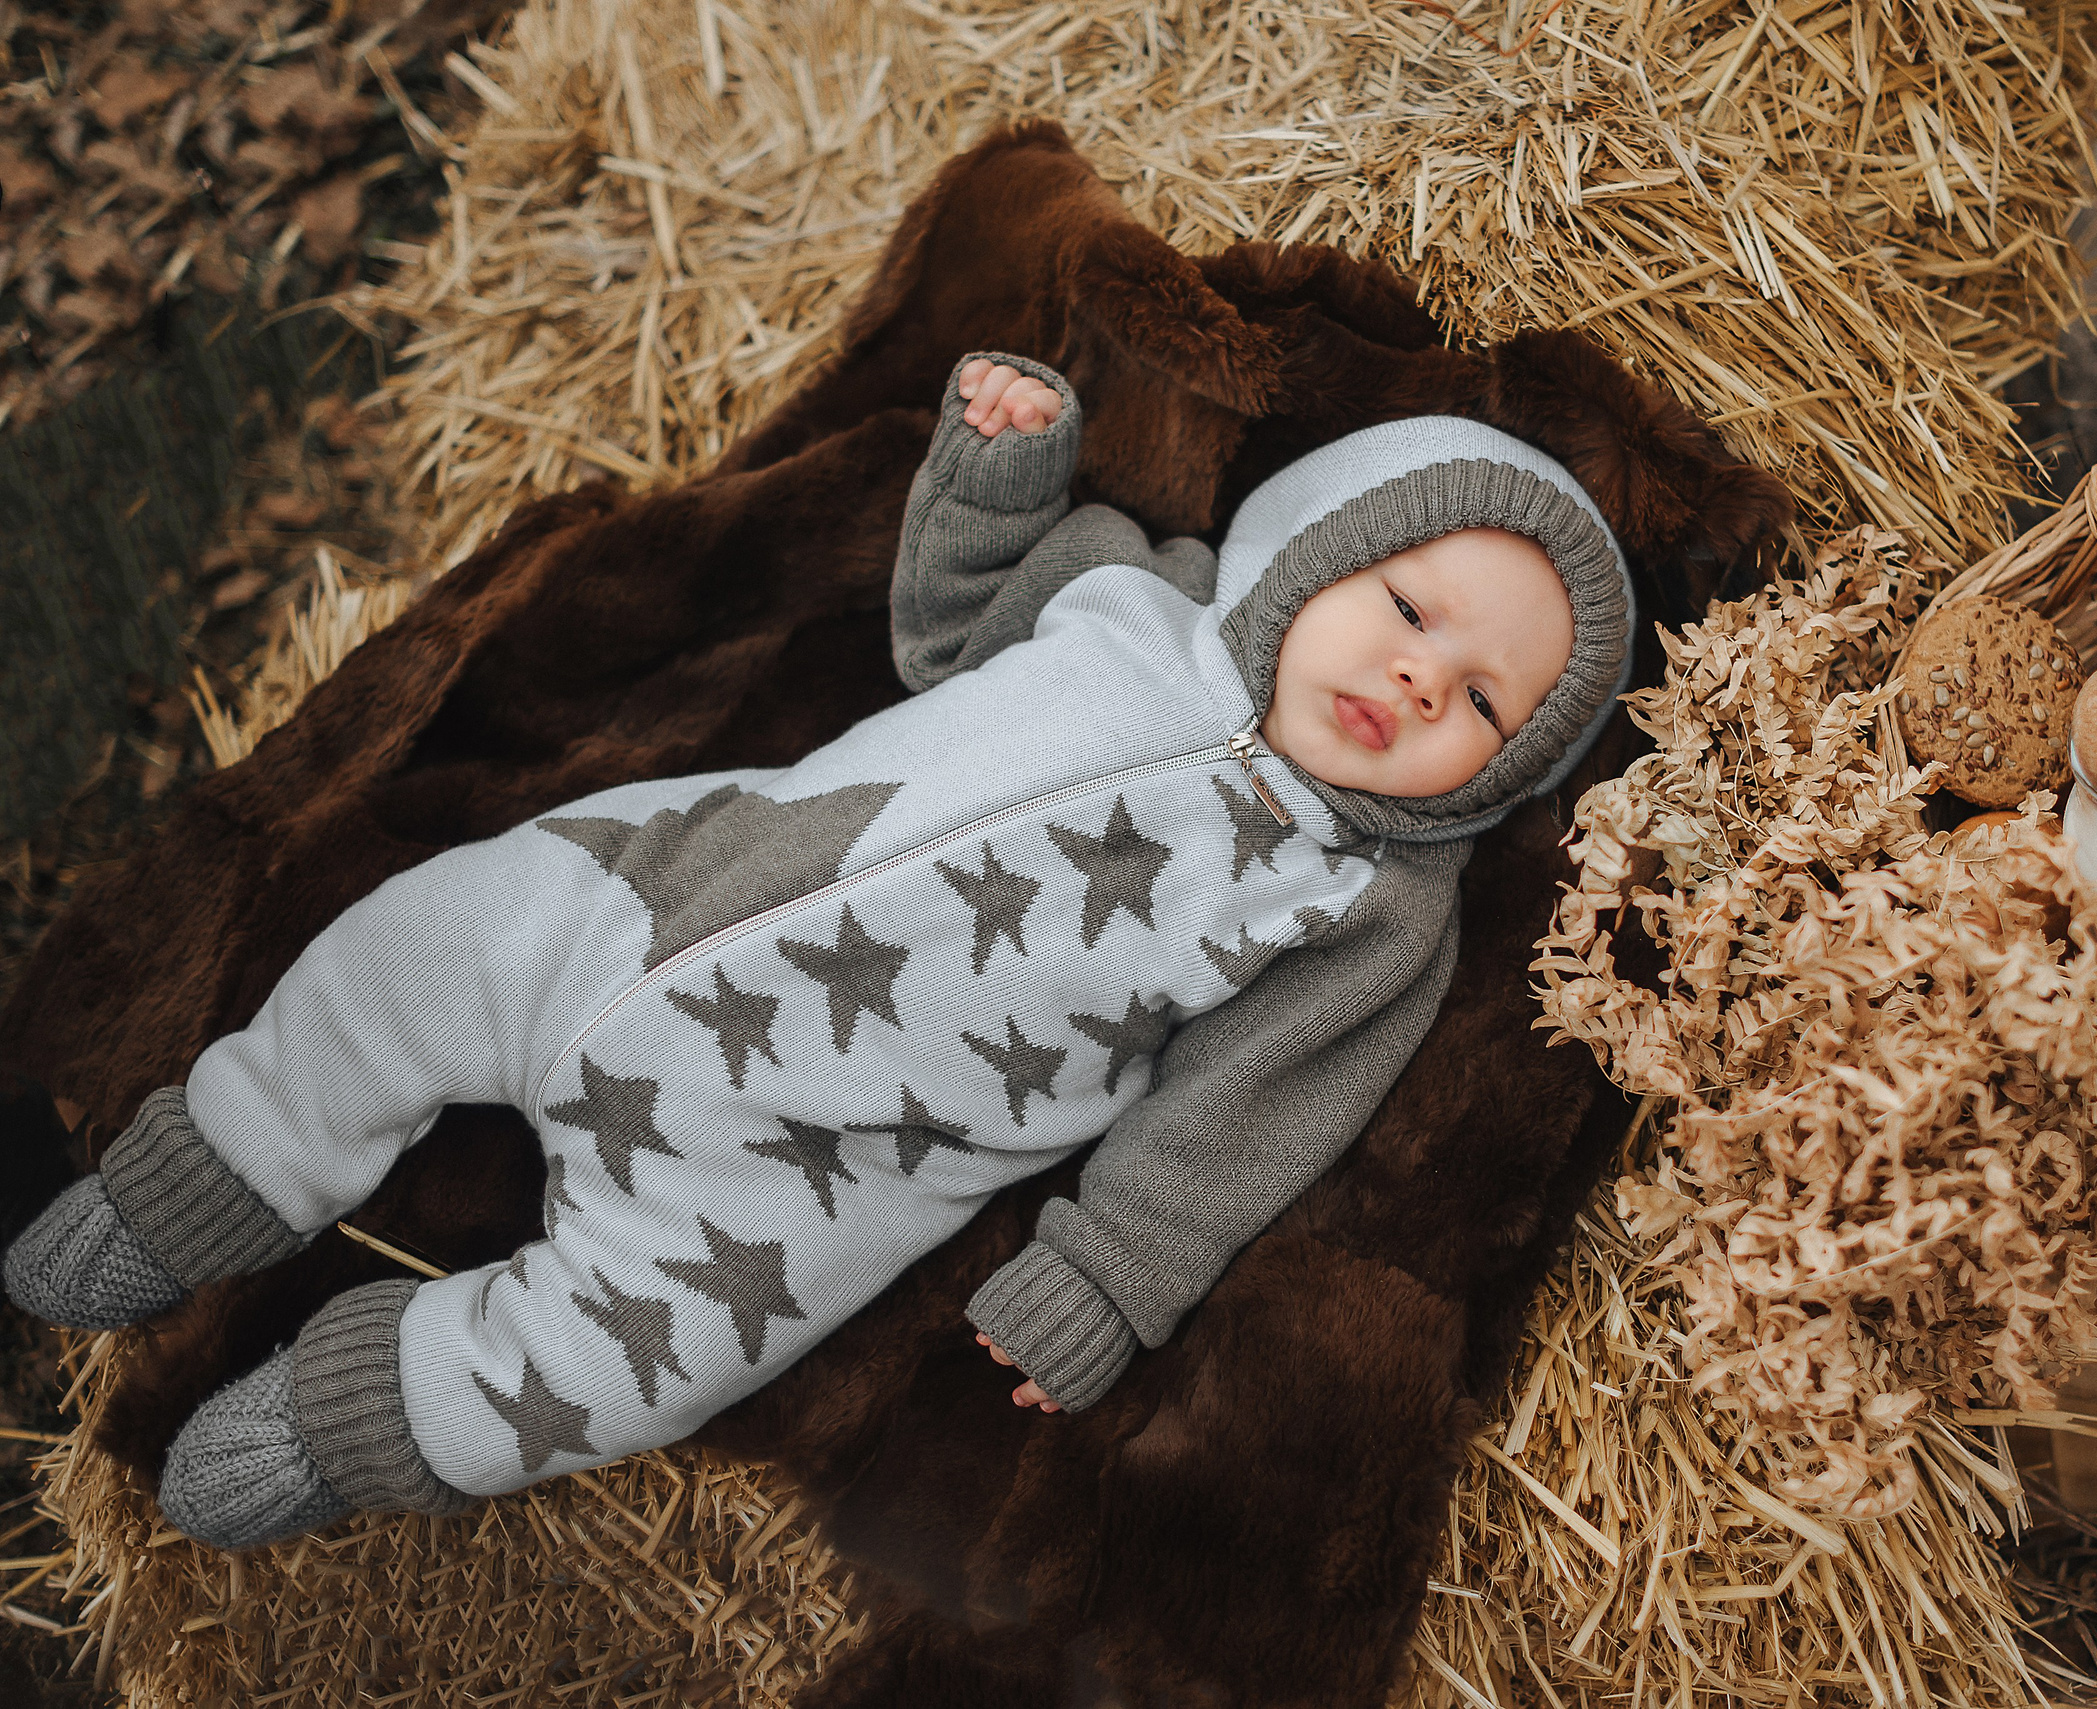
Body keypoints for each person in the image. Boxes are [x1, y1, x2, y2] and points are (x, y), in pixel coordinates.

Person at [5, 353, 1634, 1551]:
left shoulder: (1361, 906)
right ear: (1315, 545)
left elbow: (1250, 1114)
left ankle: (355, 1416)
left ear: (1494, 779)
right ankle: (209, 1176)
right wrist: (998, 473)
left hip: (815, 1165)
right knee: (405, 951)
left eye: (1485, 704)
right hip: (652, 891)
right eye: (1406, 606)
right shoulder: (1127, 599)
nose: (1422, 681)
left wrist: (1109, 1277)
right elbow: (944, 626)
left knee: (632, 1363)